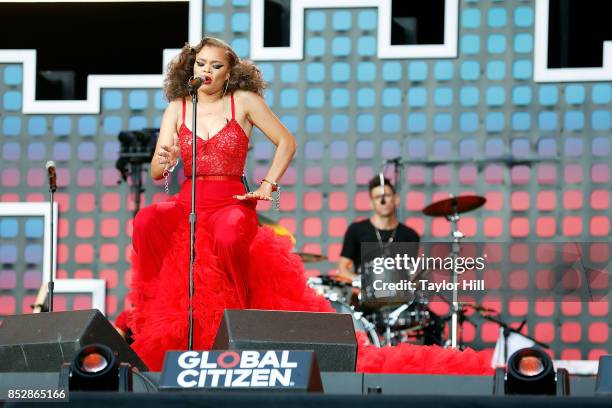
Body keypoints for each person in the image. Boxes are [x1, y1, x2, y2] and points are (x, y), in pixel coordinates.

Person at [120, 37, 332, 370]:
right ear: (191, 67)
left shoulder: (244, 101)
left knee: (230, 233)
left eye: (216, 66)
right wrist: (169, 156)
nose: (206, 71)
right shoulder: (178, 106)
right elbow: (158, 171)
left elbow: (286, 142)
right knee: (147, 220)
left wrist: (267, 185)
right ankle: (152, 310)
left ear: (229, 72)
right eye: (201, 63)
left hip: (230, 202)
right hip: (188, 202)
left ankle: (235, 324)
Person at [338, 176, 420, 281]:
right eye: (377, 197)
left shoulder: (410, 236)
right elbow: (342, 269)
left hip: (396, 294)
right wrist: (359, 281)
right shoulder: (356, 230)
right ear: (371, 203)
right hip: (363, 293)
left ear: (396, 199)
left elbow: (410, 274)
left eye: (387, 196)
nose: (383, 201)